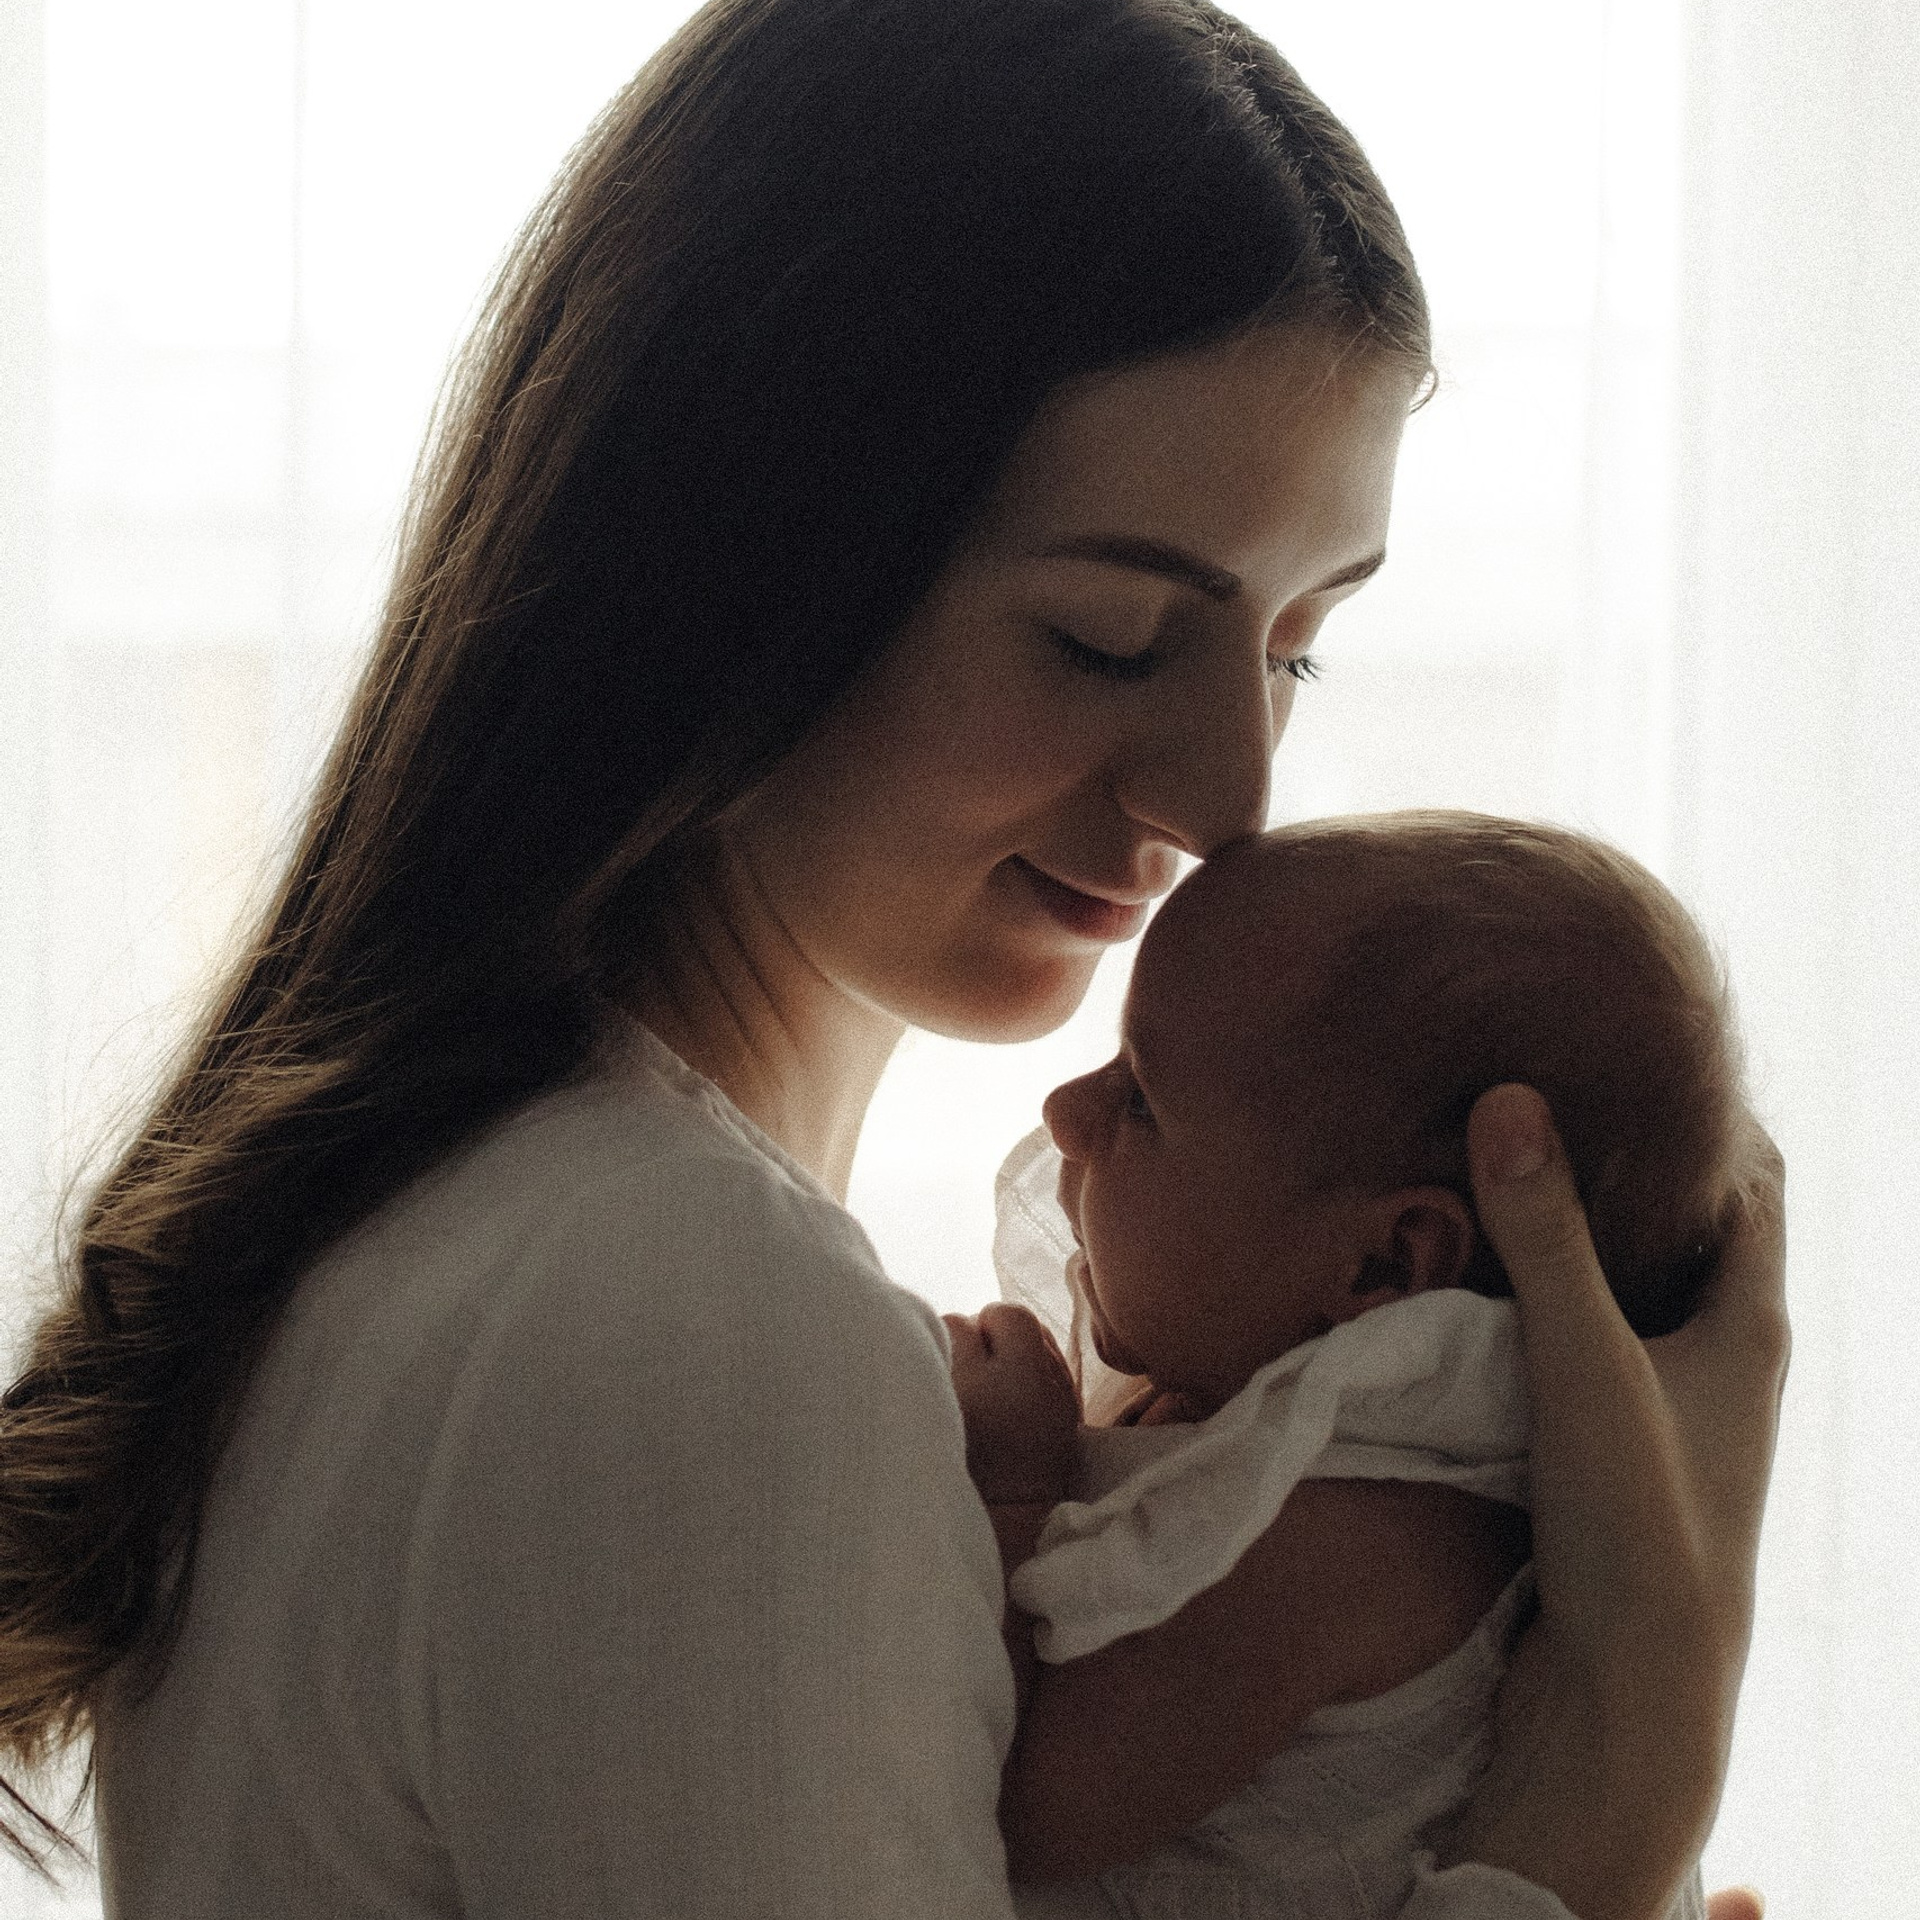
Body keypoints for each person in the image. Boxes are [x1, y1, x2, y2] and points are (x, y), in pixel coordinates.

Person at [0, 4, 1784, 1917]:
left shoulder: (509, 1229)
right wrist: (1616, 1783)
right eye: (1108, 636)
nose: (1234, 801)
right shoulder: (692, 1312)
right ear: (744, 562)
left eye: (1292, 650)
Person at [947, 812, 1770, 1918]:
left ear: (1388, 1260)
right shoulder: (1284, 1456)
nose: (1065, 1109)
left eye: (1141, 1096)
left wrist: (1015, 1489)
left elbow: (1021, 1805)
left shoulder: (1347, 1544)